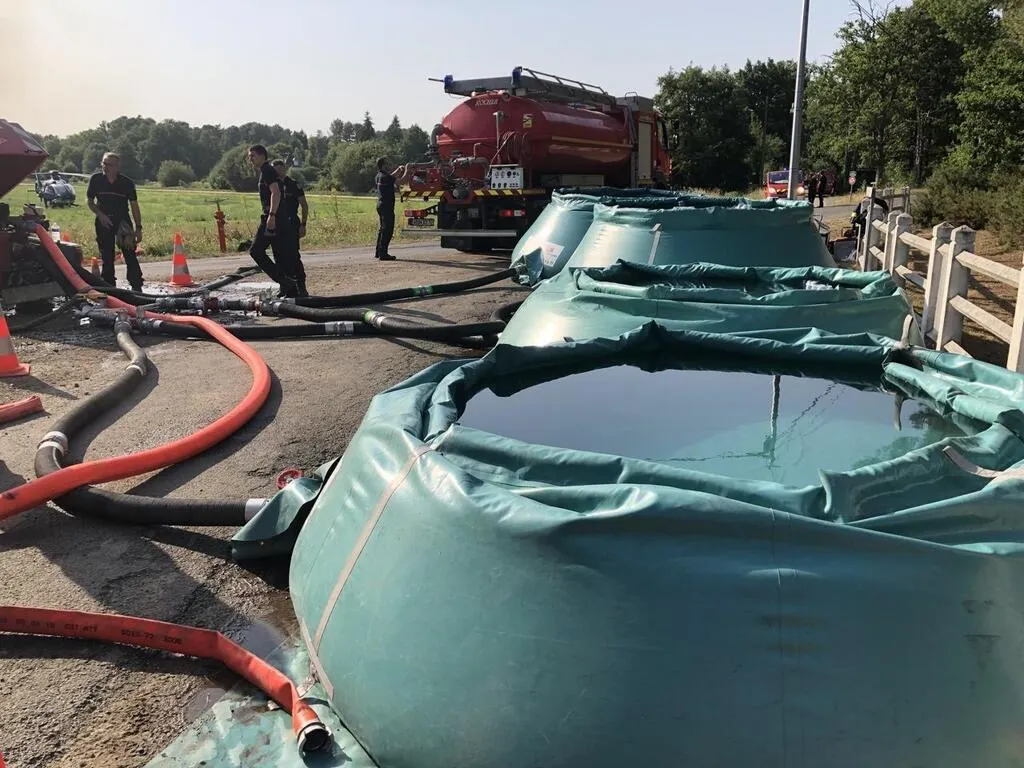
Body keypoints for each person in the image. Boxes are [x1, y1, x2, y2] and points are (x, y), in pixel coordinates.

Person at [86, 152, 144, 292]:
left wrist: (138, 228)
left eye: (109, 165)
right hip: (103, 221)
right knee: (107, 255)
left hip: (122, 221)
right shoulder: (96, 180)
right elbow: (90, 201)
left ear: (117, 167)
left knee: (129, 253)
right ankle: (109, 287)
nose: (105, 167)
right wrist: (100, 215)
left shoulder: (126, 183)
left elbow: (134, 206)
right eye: (104, 164)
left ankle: (136, 285)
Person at [247, 145, 299, 297]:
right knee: (279, 253)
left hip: (273, 217)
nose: (251, 159)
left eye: (253, 156)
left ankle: (283, 281)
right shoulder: (267, 171)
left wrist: (272, 215)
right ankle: (290, 290)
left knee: (256, 251)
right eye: (250, 156)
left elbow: (275, 192)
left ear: (262, 155)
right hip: (279, 218)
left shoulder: (267, 171)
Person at [273, 158, 309, 297]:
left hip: (291, 223)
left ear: (284, 169)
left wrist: (303, 224)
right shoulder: (272, 185)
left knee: (293, 256)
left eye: (280, 169)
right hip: (277, 224)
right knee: (279, 257)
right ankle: (285, 287)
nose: (278, 172)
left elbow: (304, 205)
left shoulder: (293, 184)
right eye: (275, 170)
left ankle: (301, 286)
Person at [374, 157, 406, 261]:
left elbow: (391, 177)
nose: (389, 165)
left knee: (382, 229)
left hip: (380, 205)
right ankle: (383, 254)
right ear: (383, 165)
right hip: (387, 206)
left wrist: (398, 170)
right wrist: (408, 170)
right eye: (387, 164)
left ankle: (379, 252)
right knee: (387, 230)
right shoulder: (386, 177)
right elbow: (401, 181)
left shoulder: (379, 176)